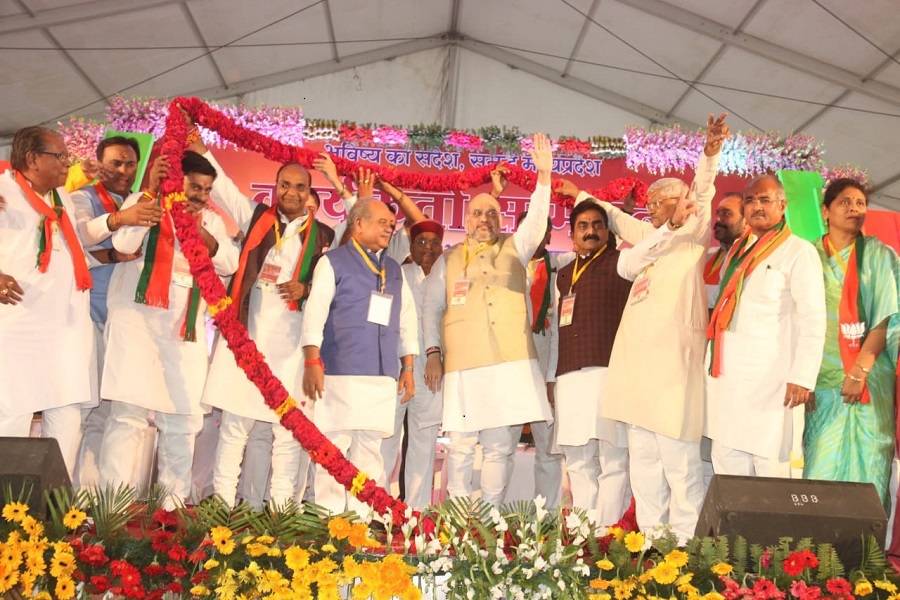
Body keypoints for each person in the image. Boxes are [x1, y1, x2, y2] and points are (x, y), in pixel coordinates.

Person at [556, 114, 730, 542]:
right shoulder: (648, 244)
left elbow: (702, 191)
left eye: (658, 203)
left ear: (681, 203)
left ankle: (687, 551)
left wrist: (709, 154)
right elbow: (615, 218)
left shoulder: (692, 236)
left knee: (680, 465)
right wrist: (579, 193)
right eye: (648, 204)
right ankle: (651, 547)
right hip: (635, 373)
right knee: (644, 466)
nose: (649, 210)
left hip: (672, 368)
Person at [99, 151, 239, 509]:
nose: (200, 196)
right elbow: (123, 244)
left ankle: (171, 511)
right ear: (177, 181)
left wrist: (202, 233)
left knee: (183, 420)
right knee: (127, 417)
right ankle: (111, 509)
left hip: (185, 332)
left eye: (207, 190)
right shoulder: (146, 202)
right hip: (137, 326)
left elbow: (228, 262)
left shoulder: (211, 220)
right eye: (195, 186)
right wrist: (149, 196)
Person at [198, 147, 335, 509]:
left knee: (287, 435)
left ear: (309, 192)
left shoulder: (325, 237)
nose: (291, 193)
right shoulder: (258, 217)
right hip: (246, 343)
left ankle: (279, 515)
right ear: (275, 187)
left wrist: (306, 289)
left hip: (291, 348)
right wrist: (201, 149)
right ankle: (223, 508)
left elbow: (334, 285)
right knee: (233, 430)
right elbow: (224, 188)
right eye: (285, 185)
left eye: (300, 187)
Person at [422, 133, 555, 506]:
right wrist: (433, 351)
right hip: (463, 363)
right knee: (462, 445)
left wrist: (543, 177)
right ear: (465, 221)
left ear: (501, 218)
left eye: (493, 212)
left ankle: (490, 523)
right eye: (478, 213)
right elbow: (431, 308)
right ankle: (460, 519)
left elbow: (538, 220)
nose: (486, 218)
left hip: (510, 361)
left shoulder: (517, 246)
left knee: (499, 447)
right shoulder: (448, 260)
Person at [301, 197, 418, 515]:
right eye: (382, 222)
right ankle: (328, 519)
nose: (389, 228)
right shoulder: (333, 262)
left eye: (392, 226)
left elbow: (407, 319)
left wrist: (408, 365)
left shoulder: (393, 269)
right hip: (339, 372)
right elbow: (314, 313)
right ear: (359, 224)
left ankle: (361, 521)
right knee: (333, 449)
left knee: (369, 451)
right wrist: (312, 361)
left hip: (381, 375)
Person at [705, 175, 826, 479]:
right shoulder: (736, 252)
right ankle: (730, 530)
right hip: (728, 381)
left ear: (782, 206)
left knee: (771, 472)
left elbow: (813, 318)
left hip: (773, 383)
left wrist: (802, 376)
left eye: (765, 199)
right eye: (750, 200)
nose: (756, 206)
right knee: (727, 466)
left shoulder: (799, 252)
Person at [0, 126, 93, 476]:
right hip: (18, 325)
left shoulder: (62, 199)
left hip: (64, 328)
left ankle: (55, 512)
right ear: (31, 160)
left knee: (67, 411)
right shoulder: (3, 191)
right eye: (60, 156)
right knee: (13, 412)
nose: (68, 163)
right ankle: (7, 513)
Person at [803, 179, 899, 511]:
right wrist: (802, 377)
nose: (855, 209)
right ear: (826, 211)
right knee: (821, 464)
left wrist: (859, 372)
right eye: (845, 202)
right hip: (822, 381)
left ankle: (865, 556)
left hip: (870, 380)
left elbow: (885, 317)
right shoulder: (807, 256)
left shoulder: (880, 255)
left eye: (860, 203)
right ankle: (815, 557)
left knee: (870, 465)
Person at [70, 135, 158, 488]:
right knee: (83, 411)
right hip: (90, 317)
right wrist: (120, 219)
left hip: (130, 323)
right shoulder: (82, 197)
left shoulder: (148, 202)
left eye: (130, 163)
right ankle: (72, 496)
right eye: (116, 163)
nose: (123, 170)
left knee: (110, 413)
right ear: (99, 162)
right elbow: (79, 237)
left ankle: (95, 501)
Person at [552, 201, 632, 523]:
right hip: (570, 377)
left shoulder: (622, 264)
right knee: (578, 459)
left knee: (613, 458)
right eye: (582, 226)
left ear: (608, 232)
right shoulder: (562, 276)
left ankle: (608, 534)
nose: (590, 231)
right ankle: (584, 538)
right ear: (571, 235)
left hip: (609, 374)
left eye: (598, 224)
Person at [380, 219, 444, 510]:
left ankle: (416, 512)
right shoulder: (397, 273)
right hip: (397, 369)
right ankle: (377, 509)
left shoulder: (448, 278)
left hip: (432, 372)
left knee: (423, 442)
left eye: (434, 242)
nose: (428, 248)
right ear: (410, 245)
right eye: (421, 242)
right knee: (386, 439)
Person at [513, 209, 564, 508]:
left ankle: (543, 519)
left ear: (547, 236)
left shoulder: (557, 268)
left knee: (547, 448)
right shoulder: (503, 268)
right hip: (510, 368)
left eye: (540, 230)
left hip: (543, 366)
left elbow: (557, 329)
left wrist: (551, 377)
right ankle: (493, 515)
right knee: (502, 446)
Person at [704, 192, 747, 309]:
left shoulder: (750, 256)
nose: (718, 219)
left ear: (746, 221)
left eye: (726, 214)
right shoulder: (710, 254)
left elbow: (726, 294)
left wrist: (684, 290)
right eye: (718, 213)